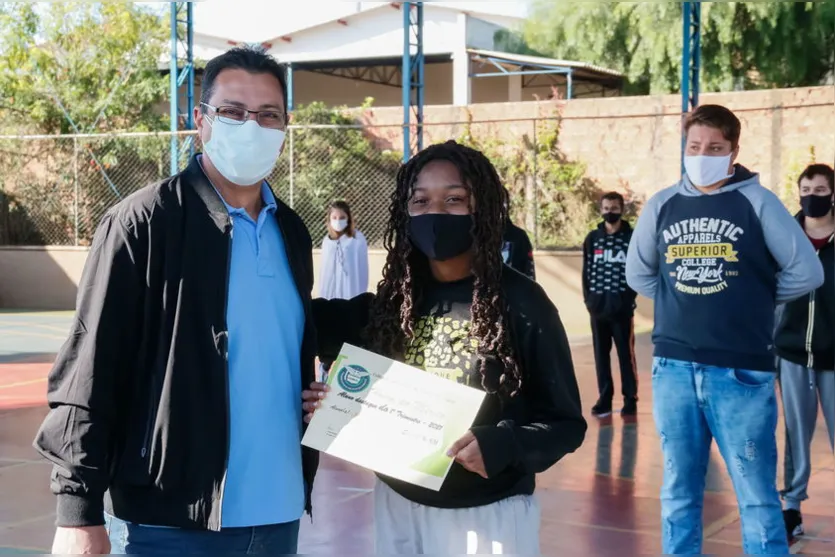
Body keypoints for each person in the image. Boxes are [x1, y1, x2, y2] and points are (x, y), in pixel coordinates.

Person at [32, 47, 319, 554]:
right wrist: (77, 511)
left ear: (285, 126)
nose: (251, 126)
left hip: (280, 514)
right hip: (168, 521)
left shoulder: (292, 232)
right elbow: (91, 368)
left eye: (268, 114)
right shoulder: (142, 223)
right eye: (232, 112)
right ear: (200, 122)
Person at [306, 140, 586, 554]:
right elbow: (300, 325)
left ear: (483, 209)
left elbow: (565, 424)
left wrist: (505, 445)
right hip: (397, 502)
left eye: (454, 200)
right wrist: (327, 400)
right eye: (420, 201)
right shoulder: (391, 303)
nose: (435, 213)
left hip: (485, 515)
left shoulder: (523, 304)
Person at [625, 104, 824, 555]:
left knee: (755, 494)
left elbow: (806, 272)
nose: (703, 154)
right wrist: (688, 295)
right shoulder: (662, 204)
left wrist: (752, 297)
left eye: (715, 147)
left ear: (733, 151)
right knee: (677, 491)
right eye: (695, 146)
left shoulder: (757, 202)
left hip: (740, 372)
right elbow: (639, 274)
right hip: (672, 368)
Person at [773, 163, 835, 541]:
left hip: (834, 358)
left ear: (833, 194)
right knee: (796, 434)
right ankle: (791, 507)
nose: (812, 195)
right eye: (806, 188)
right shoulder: (785, 239)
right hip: (793, 355)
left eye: (821, 189)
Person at [583, 191, 638, 418]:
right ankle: (604, 399)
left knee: (626, 356)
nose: (609, 212)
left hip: (622, 310)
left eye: (614, 208)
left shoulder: (631, 238)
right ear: (601, 210)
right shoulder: (592, 238)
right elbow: (587, 271)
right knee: (600, 357)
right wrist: (589, 300)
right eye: (606, 208)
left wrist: (627, 300)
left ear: (621, 209)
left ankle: (630, 399)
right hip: (598, 309)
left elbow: (637, 271)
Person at [318, 200, 369, 300]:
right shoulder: (327, 241)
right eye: (334, 218)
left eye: (342, 218)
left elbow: (362, 269)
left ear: (348, 219)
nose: (338, 221)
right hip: (329, 296)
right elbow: (324, 272)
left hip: (351, 294)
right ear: (329, 220)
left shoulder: (357, 239)